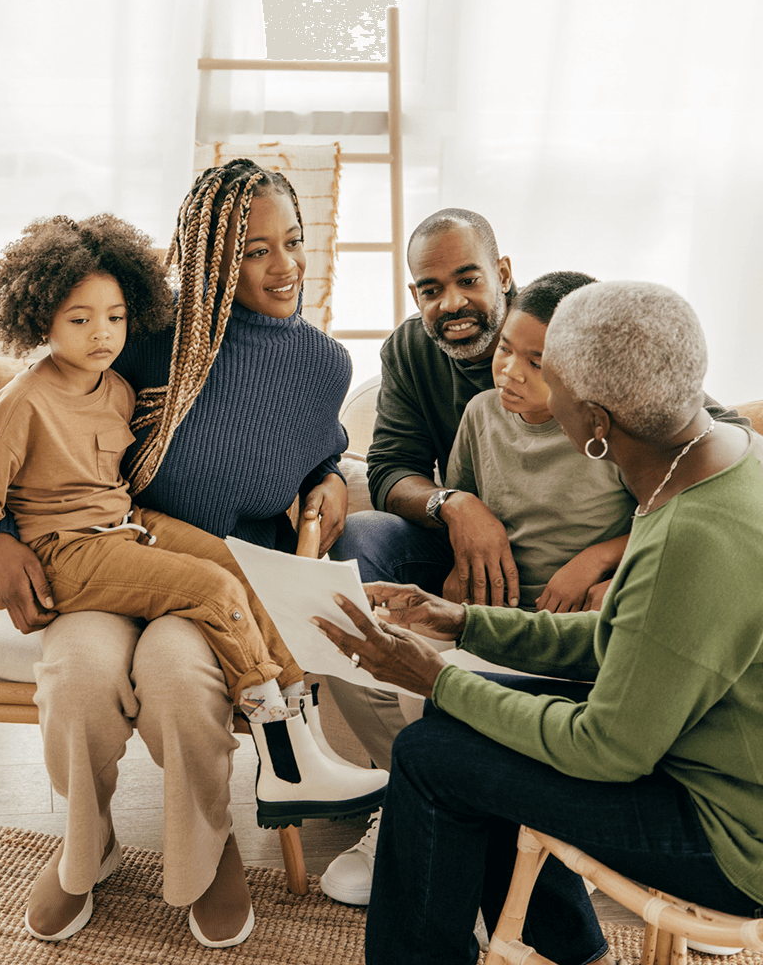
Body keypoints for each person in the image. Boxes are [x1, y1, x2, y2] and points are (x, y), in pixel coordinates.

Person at [0, 161, 386, 948]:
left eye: (292, 243)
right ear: (207, 256)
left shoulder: (322, 366)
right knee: (77, 678)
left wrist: (332, 475)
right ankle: (85, 847)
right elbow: (34, 423)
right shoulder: (139, 338)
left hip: (214, 571)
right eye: (254, 249)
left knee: (176, 680)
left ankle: (207, 849)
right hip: (104, 563)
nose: (285, 266)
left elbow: (313, 451)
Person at [313, 280, 763, 965]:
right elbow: (632, 635)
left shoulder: (687, 535)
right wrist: (464, 624)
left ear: (595, 419)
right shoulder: (724, 460)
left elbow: (604, 749)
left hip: (728, 835)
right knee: (461, 730)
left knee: (434, 756)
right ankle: (572, 950)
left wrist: (434, 679)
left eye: (550, 377)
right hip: (695, 745)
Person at [445, 270, 635, 611]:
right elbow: (462, 514)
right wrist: (457, 568)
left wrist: (598, 559)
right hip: (496, 612)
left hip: (580, 613)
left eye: (536, 363)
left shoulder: (615, 429)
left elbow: (670, 520)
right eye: (505, 347)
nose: (510, 372)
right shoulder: (480, 413)